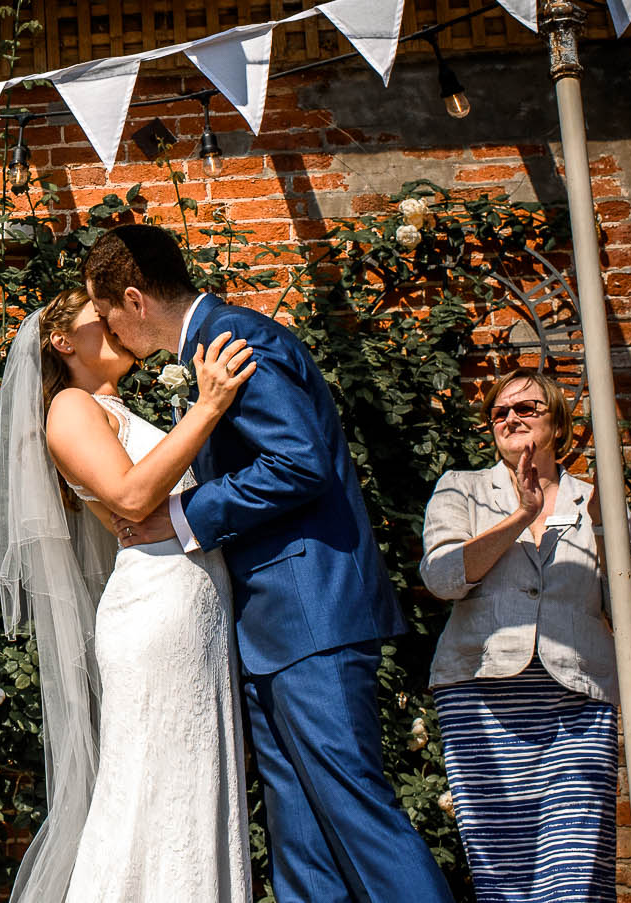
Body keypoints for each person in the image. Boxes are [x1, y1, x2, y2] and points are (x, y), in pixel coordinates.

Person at [84, 223, 453, 903]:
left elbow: (298, 462)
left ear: (133, 298)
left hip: (312, 610)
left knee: (356, 814)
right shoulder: (207, 350)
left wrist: (185, 514)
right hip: (272, 627)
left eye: (106, 313)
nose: (108, 330)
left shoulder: (237, 340)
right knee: (302, 841)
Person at [0, 285, 256, 902]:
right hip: (156, 613)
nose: (111, 320)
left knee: (192, 781)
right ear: (63, 341)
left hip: (193, 611)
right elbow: (132, 497)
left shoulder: (121, 410)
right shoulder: (70, 409)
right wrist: (208, 407)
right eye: (96, 315)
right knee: (149, 787)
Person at [420, 368, 631, 903]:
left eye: (526, 408)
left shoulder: (597, 499)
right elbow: (442, 577)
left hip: (577, 696)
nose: (510, 419)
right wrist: (522, 515)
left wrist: (603, 527)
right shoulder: (463, 488)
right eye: (499, 413)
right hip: (480, 693)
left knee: (576, 864)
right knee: (499, 866)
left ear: (558, 422)